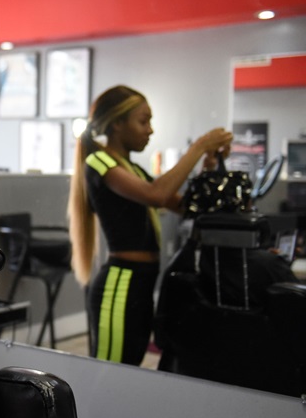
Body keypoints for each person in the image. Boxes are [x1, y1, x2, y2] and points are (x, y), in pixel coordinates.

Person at [67, 85, 233, 365]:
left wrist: (207, 167)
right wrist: (197, 147)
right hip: (120, 285)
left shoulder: (134, 169)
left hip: (141, 285)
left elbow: (183, 206)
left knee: (130, 371)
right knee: (109, 378)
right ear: (117, 124)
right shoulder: (99, 161)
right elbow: (156, 194)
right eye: (143, 121)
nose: (150, 130)